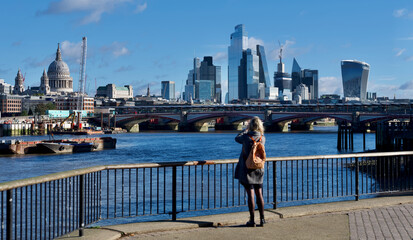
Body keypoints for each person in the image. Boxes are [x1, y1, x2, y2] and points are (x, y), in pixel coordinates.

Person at [234, 116, 266, 227]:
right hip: (259, 168)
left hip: (247, 169)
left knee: (250, 194)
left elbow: (236, 138)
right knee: (259, 194)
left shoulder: (246, 137)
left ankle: (252, 220)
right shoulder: (262, 138)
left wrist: (245, 130)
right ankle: (262, 219)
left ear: (251, 125)